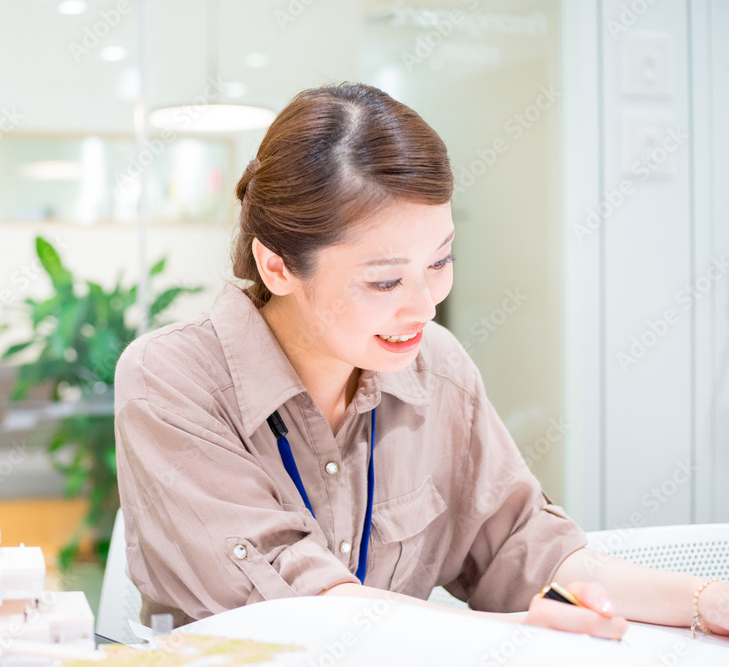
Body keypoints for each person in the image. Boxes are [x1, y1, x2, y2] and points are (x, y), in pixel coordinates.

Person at [113, 82, 729, 640]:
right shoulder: (170, 382)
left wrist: (706, 600)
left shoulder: (436, 368)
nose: (425, 308)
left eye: (439, 263)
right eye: (384, 282)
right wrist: (520, 628)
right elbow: (299, 610)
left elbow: (527, 547)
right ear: (277, 266)